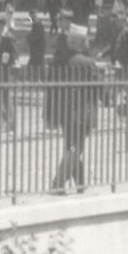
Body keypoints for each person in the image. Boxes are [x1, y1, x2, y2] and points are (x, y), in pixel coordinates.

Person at [50, 50, 105, 194]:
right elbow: (100, 87)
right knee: (74, 149)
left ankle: (80, 183)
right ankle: (58, 182)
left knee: (73, 146)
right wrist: (107, 99)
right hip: (83, 113)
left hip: (66, 113)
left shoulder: (60, 61)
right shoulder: (88, 63)